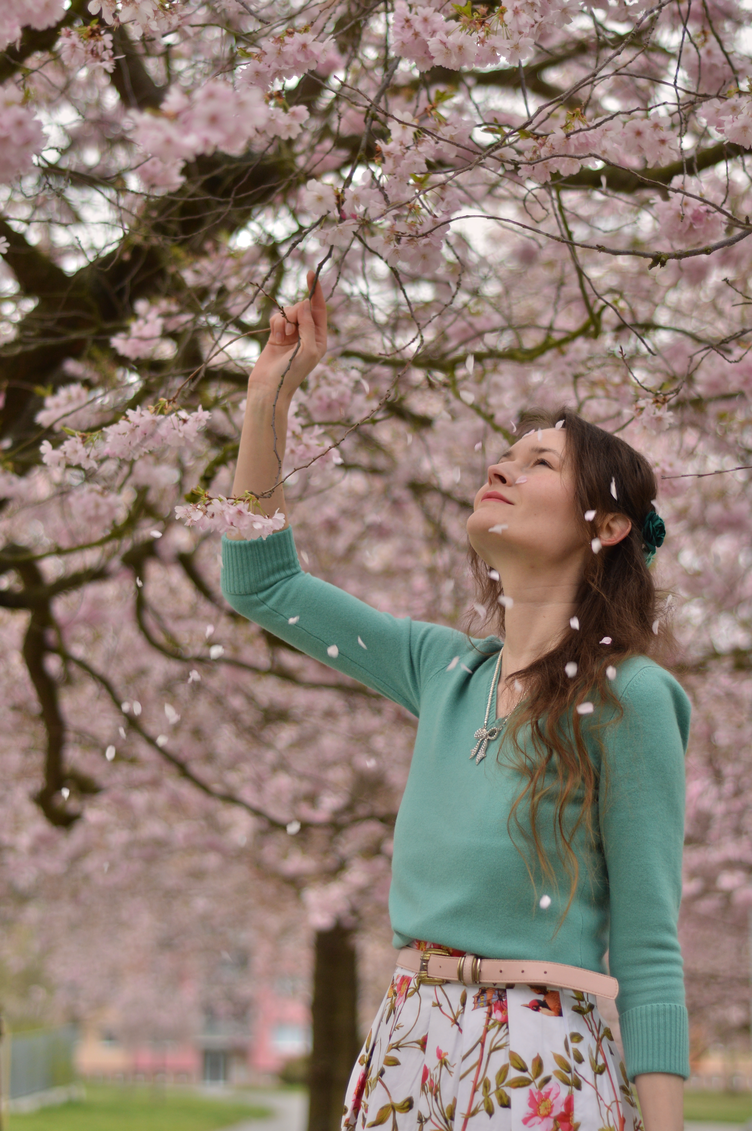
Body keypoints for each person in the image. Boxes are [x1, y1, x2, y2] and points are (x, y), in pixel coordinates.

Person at [221, 272, 690, 1131]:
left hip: (541, 1065)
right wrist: (267, 401)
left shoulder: (634, 698)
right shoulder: (442, 670)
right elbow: (264, 583)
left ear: (609, 524)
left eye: (540, 460)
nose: (501, 465)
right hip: (405, 1049)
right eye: (506, 452)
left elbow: (652, 948)